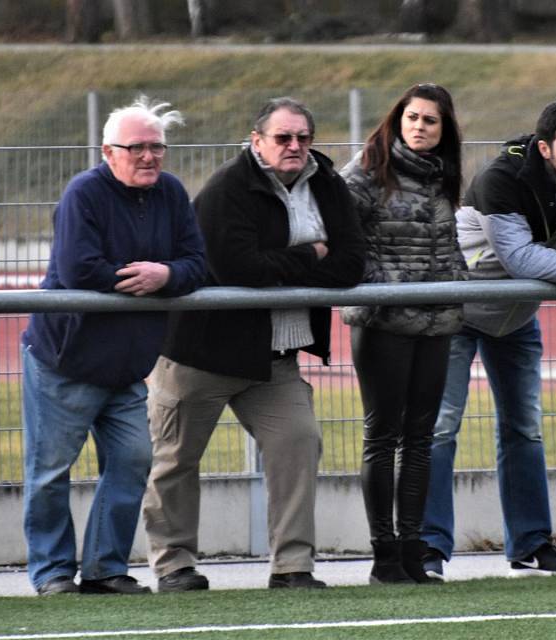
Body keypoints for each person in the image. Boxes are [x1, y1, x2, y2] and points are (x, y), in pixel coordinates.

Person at [142, 97, 365, 591]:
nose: (294, 146)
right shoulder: (228, 188)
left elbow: (351, 263)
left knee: (298, 443)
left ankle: (292, 567)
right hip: (201, 351)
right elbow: (237, 268)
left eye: (303, 137)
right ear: (256, 140)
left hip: (276, 358)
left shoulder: (327, 184)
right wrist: (311, 255)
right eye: (283, 137)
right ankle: (174, 564)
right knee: (176, 460)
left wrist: (288, 264)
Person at [420, 100, 556, 580]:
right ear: (544, 147)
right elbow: (522, 260)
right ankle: (428, 549)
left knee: (525, 429)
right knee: (440, 428)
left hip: (515, 321)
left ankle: (533, 546)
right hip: (460, 312)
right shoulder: (503, 178)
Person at [20, 96, 206, 596]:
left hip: (127, 368)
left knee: (132, 461)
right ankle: (53, 573)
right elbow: (79, 269)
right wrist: (147, 277)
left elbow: (197, 262)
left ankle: (105, 569)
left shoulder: (171, 192)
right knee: (50, 473)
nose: (149, 157)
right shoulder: (84, 194)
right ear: (108, 151)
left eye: (157, 147)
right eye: (137, 147)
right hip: (65, 361)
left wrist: (164, 273)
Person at [339, 83, 466, 584]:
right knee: (382, 435)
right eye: (412, 117)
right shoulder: (367, 172)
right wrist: (380, 285)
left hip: (436, 321)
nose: (419, 127)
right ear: (397, 120)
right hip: (383, 322)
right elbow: (342, 236)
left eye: (430, 120)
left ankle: (413, 549)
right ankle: (384, 553)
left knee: (421, 438)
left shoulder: (442, 177)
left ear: (443, 129)